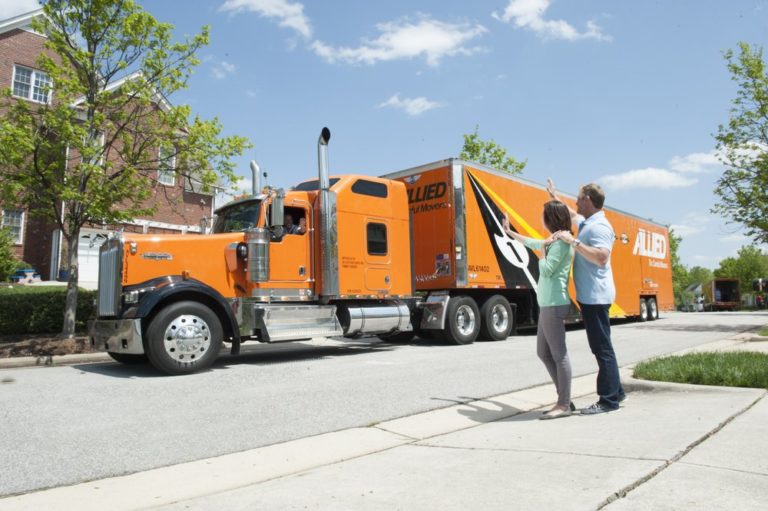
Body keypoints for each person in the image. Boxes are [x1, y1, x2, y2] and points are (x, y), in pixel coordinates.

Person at [547, 179, 626, 415]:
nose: (576, 201)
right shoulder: (588, 222)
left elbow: (601, 257)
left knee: (602, 349)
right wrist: (554, 196)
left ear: (588, 200)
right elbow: (572, 215)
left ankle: (608, 400)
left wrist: (575, 242)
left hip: (596, 297)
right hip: (592, 296)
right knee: (603, 347)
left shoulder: (600, 227)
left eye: (579, 197)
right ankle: (618, 391)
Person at [503, 201, 575, 420]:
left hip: (554, 303)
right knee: (543, 353)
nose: (541, 218)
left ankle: (564, 404)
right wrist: (509, 232)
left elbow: (548, 270)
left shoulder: (561, 243)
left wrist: (543, 252)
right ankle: (565, 398)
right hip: (547, 303)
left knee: (558, 354)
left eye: (543, 215)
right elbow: (533, 243)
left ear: (551, 218)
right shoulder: (553, 241)